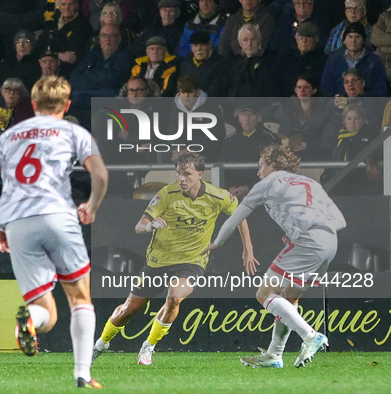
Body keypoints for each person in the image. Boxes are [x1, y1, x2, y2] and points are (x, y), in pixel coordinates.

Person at [0, 76, 108, 389]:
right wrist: (92, 205)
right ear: (68, 105)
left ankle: (30, 322)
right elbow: (100, 173)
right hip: (58, 216)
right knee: (79, 298)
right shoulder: (74, 131)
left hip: (19, 223)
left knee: (45, 309)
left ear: (32, 105)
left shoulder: (11, 135)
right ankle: (82, 374)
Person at [93, 152, 256, 366]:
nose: (181, 178)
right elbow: (139, 226)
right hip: (158, 261)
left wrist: (248, 249)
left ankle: (148, 347)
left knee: (175, 296)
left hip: (192, 262)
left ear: (200, 174)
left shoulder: (219, 196)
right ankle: (101, 343)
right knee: (129, 309)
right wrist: (150, 225)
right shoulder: (167, 193)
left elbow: (240, 215)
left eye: (186, 174)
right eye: (178, 173)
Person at [202, 144, 346, 368]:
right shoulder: (311, 182)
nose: (258, 172)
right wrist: (303, 230)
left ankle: (310, 336)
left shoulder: (267, 183)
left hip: (308, 241)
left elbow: (235, 218)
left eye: (261, 166)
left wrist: (217, 242)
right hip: (330, 241)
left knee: (265, 293)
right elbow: (340, 221)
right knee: (288, 298)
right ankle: (274, 355)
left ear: (273, 164)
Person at [320, 22, 387, 97]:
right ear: (344, 40)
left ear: (363, 41)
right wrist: (335, 98)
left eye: (357, 37)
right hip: (339, 104)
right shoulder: (334, 58)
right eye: (350, 37)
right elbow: (326, 85)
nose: (353, 41)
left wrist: (362, 99)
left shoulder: (375, 60)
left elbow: (381, 89)